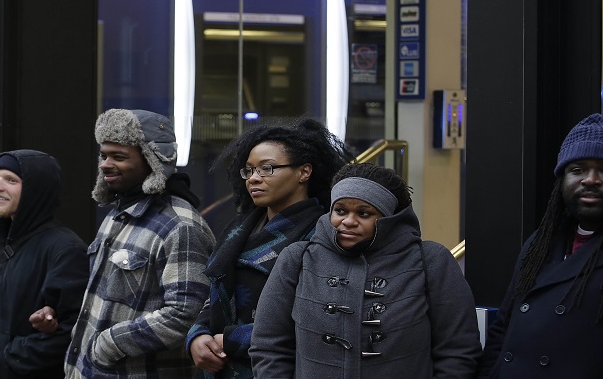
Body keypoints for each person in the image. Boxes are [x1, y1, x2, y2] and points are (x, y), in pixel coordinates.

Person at [249, 162, 481, 378]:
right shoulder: (297, 258)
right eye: (340, 211)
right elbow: (269, 345)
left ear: (389, 220)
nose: (348, 221)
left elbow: (458, 350)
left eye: (364, 213)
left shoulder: (431, 260)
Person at [186, 118, 354, 378]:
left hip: (275, 368)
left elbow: (317, 318)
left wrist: (228, 340)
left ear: (304, 172)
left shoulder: (322, 234)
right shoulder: (238, 228)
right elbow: (217, 292)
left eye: (267, 169)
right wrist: (197, 336)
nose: (254, 179)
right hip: (219, 367)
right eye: (249, 170)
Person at [65, 108, 216, 379]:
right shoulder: (117, 214)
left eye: (118, 157)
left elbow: (185, 313)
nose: (105, 164)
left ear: (151, 159)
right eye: (103, 155)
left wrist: (107, 344)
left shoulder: (181, 226)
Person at [477, 113, 603, 378]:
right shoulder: (541, 242)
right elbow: (505, 326)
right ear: (562, 181)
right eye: (577, 170)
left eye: (602, 169)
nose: (591, 179)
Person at [0, 149, 89, 378]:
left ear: (37, 191)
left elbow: (71, 328)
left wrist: (9, 360)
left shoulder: (65, 250)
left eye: (11, 180)